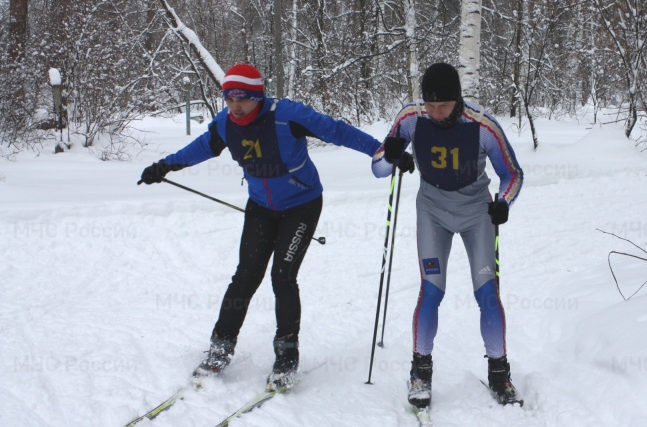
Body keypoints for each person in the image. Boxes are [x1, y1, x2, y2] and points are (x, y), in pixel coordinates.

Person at [140, 63, 381, 389]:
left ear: (258, 96)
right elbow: (201, 148)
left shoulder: (287, 115)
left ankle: (286, 356)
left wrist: (380, 150)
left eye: (243, 98)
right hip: (261, 207)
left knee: (282, 276)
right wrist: (166, 166)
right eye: (229, 97)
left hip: (302, 205)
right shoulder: (226, 123)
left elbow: (334, 130)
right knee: (246, 275)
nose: (236, 104)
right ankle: (220, 348)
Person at [372, 63, 524, 406]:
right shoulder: (412, 118)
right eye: (430, 104)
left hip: (475, 214)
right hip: (432, 212)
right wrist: (393, 155)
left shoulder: (483, 126)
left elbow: (512, 174)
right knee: (431, 291)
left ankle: (499, 374)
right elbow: (379, 168)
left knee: (487, 292)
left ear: (458, 100)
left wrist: (504, 202)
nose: (436, 113)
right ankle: (420, 373)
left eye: (444, 105)